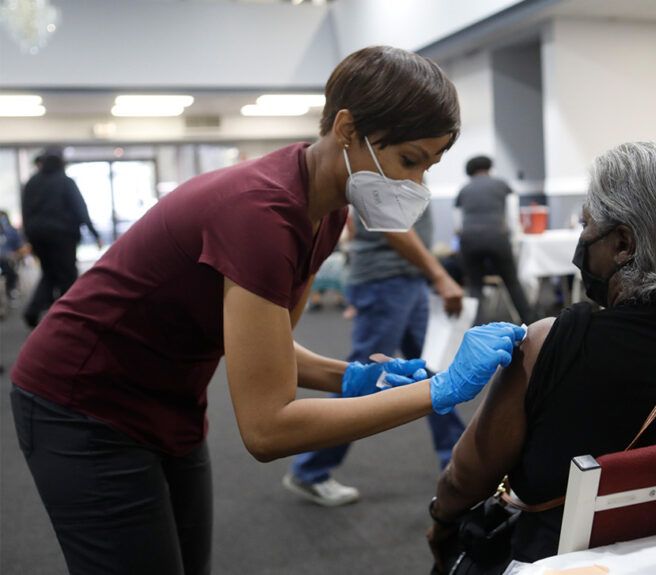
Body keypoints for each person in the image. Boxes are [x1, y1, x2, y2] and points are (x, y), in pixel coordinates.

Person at [9, 45, 525, 575]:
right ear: (347, 129)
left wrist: (351, 377)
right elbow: (267, 429)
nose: (416, 186)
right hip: (81, 400)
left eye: (428, 167)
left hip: (168, 399)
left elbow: (267, 348)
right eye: (409, 161)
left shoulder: (323, 207)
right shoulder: (261, 212)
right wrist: (435, 392)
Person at [426, 142, 656, 573]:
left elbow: (465, 479)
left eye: (586, 225)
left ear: (622, 244)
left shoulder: (550, 344)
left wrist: (440, 521)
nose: (581, 239)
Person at [283, 205, 469, 506]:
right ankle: (310, 470)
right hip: (386, 280)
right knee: (365, 380)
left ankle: (459, 462)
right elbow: (389, 222)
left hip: (409, 278)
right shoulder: (383, 171)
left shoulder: (400, 173)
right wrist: (439, 274)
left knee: (432, 374)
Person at [19, 148, 103, 327]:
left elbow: (25, 212)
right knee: (67, 275)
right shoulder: (65, 182)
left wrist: (28, 237)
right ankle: (69, 316)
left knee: (49, 273)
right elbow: (80, 208)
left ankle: (33, 311)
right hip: (62, 236)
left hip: (38, 236)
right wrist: (94, 234)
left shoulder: (32, 183)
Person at [455, 155, 535, 324]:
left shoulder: (464, 190)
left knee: (475, 286)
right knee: (512, 282)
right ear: (489, 168)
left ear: (470, 172)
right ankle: (530, 323)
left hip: (469, 240)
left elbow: (457, 224)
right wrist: (513, 241)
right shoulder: (502, 185)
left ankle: (475, 328)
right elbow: (512, 217)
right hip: (497, 237)